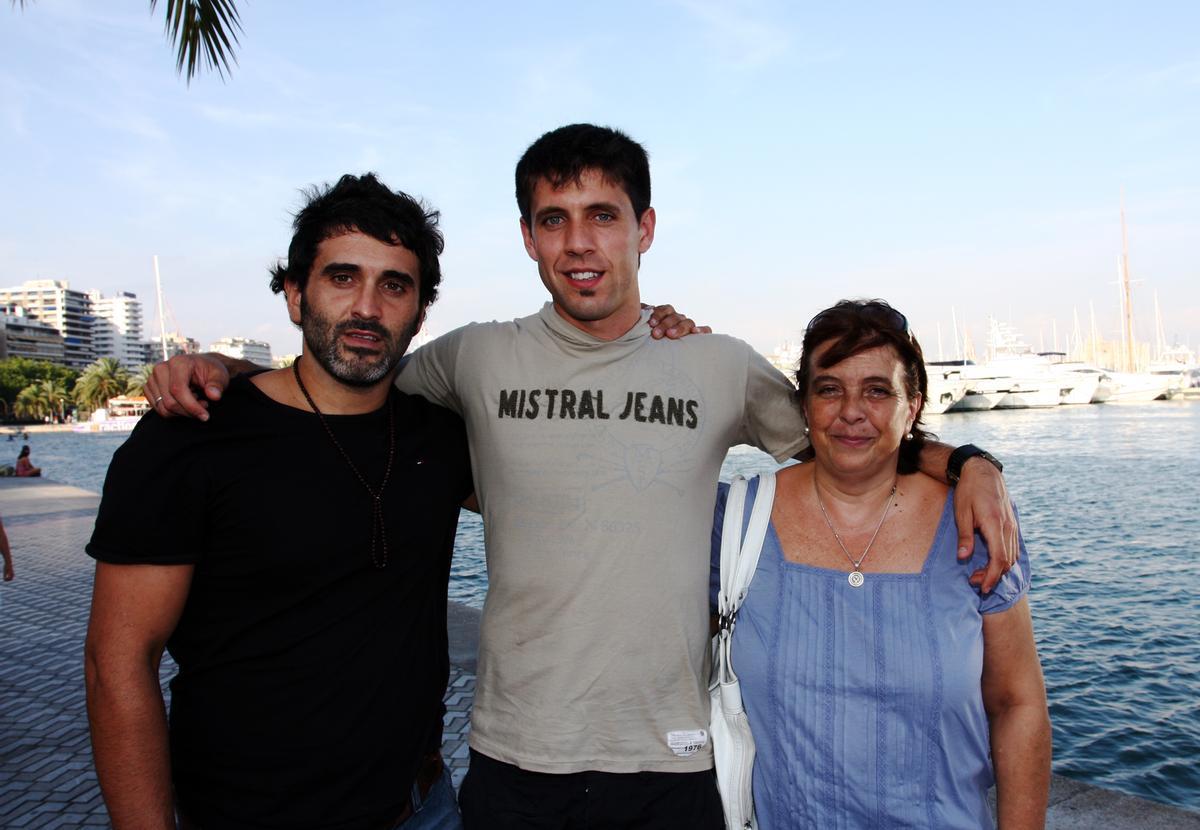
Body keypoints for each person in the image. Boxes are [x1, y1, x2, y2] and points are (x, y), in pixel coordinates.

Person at [145, 124, 1018, 830]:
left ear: (644, 227)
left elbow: (849, 435)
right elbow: (342, 379)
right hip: (514, 757)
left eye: (602, 214)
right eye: (553, 219)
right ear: (527, 236)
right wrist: (224, 365)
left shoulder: (715, 363)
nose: (579, 242)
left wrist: (967, 461)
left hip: (673, 760)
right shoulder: (474, 357)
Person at [84, 174, 476, 830]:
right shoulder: (194, 435)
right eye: (342, 277)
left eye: (395, 285)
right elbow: (118, 663)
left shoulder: (437, 437)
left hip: (423, 807)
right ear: (295, 295)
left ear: (418, 312)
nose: (367, 308)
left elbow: (560, 487)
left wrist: (655, 338)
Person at [711, 299, 1051, 829]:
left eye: (877, 390)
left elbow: (1017, 704)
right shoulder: (735, 522)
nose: (851, 411)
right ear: (804, 405)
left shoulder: (973, 528)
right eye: (829, 390)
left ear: (912, 406)